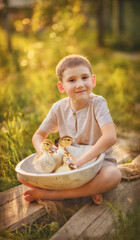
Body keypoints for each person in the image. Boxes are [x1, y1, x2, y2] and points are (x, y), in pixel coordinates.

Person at [17, 55, 121, 205]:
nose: (79, 84)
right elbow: (38, 136)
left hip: (98, 163)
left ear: (93, 80)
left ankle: (53, 194)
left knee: (113, 175)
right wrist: (45, 153)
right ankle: (89, 189)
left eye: (84, 78)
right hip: (67, 164)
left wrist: (80, 162)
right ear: (61, 87)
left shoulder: (98, 103)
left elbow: (110, 137)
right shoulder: (58, 108)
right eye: (72, 80)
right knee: (22, 176)